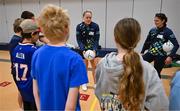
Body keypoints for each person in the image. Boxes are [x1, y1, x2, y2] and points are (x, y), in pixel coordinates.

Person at [95, 18, 169, 110]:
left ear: (115, 38)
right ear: (138, 40)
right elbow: (160, 106)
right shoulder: (148, 69)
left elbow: (98, 92)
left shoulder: (102, 64)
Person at [32, 4, 88, 110]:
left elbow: (36, 92)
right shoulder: (75, 59)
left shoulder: (37, 54)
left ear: (43, 30)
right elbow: (70, 107)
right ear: (66, 29)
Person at [12, 19, 39, 110]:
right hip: (33, 92)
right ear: (32, 34)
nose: (39, 36)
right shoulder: (33, 50)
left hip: (22, 89)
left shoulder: (16, 48)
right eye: (37, 33)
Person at [141, 13, 179, 78]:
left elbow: (176, 45)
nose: (155, 22)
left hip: (161, 56)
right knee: (139, 64)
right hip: (151, 52)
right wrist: (142, 51)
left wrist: (170, 57)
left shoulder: (168, 31)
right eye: (154, 20)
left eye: (157, 21)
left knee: (156, 74)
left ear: (163, 21)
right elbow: (147, 42)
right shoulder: (152, 30)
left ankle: (157, 87)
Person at [76, 10, 100, 90]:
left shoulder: (95, 26)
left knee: (94, 66)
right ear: (83, 18)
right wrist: (83, 49)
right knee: (84, 67)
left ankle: (95, 83)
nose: (89, 19)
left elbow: (97, 39)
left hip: (93, 50)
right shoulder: (79, 27)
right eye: (87, 17)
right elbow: (79, 40)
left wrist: (94, 49)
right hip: (83, 50)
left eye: (90, 17)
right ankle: (84, 83)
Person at [8, 18, 24, 109]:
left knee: (21, 91)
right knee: (21, 91)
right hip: (17, 70)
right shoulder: (16, 40)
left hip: (19, 69)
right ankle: (21, 108)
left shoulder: (17, 39)